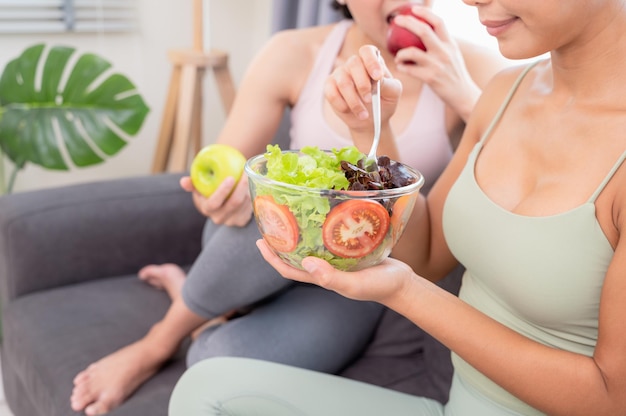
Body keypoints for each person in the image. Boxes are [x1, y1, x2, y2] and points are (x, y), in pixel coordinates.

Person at [168, 0, 626, 414]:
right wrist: (375, 131)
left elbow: (610, 398)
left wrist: (403, 293)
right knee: (205, 388)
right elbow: (425, 257)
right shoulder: (506, 92)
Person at [70, 1, 508, 415]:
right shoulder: (294, 52)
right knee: (279, 208)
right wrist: (219, 194)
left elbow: (515, 162)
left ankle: (197, 303)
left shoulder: (471, 67)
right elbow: (228, 163)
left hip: (358, 278)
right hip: (258, 248)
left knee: (211, 360)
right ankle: (156, 343)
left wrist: (464, 93)